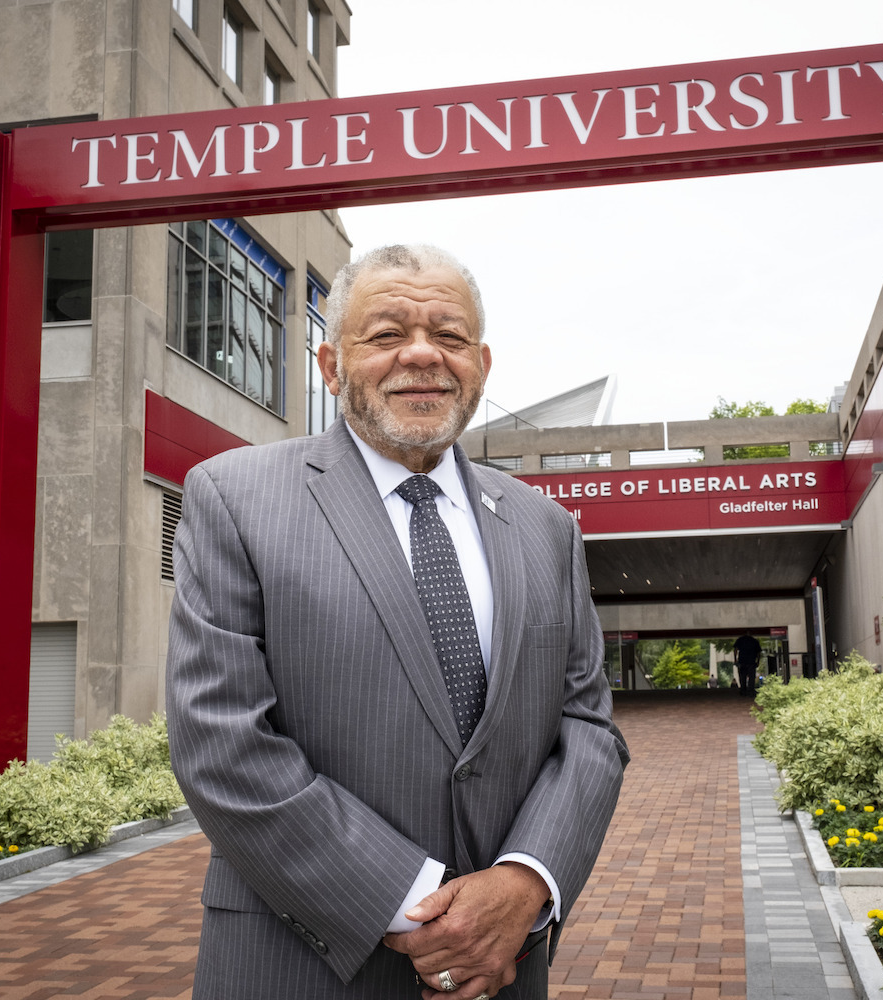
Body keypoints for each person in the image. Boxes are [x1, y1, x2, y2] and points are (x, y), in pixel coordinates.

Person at [167, 244, 629, 1000]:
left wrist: (522, 883)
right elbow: (221, 738)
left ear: (480, 362)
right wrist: (417, 909)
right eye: (385, 335)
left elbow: (588, 726)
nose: (422, 354)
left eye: (448, 336)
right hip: (297, 966)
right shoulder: (233, 498)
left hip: (505, 969)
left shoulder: (547, 527)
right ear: (330, 364)